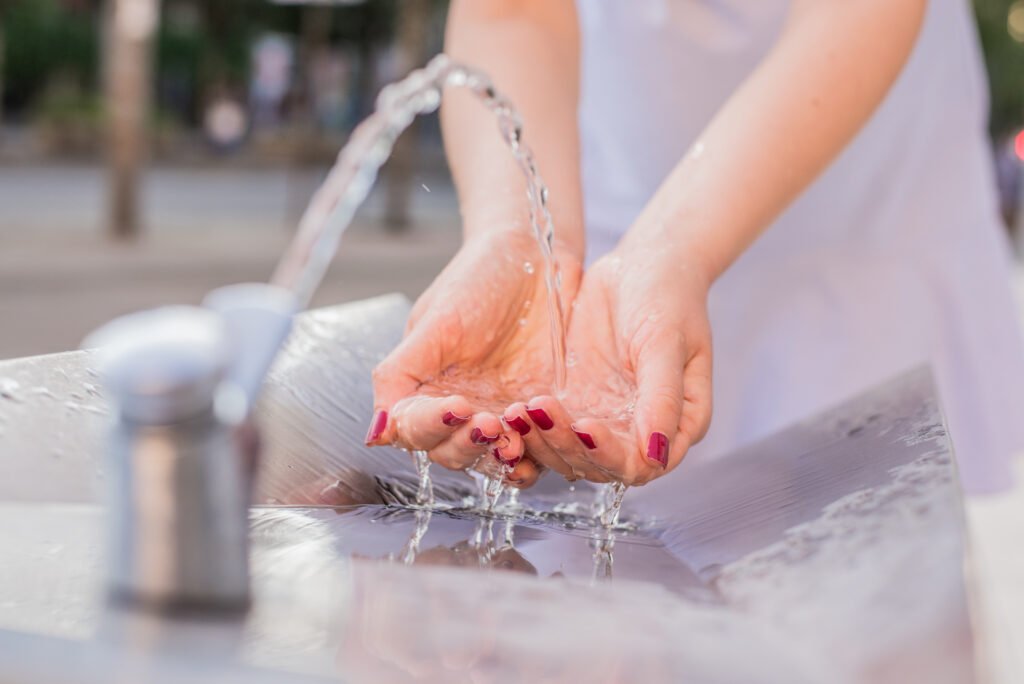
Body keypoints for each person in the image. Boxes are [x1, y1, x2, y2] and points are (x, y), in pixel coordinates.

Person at [366, 0, 1024, 495]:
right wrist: (520, 239)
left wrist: (672, 250)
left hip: (865, 193)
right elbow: (512, 13)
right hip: (619, 176)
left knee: (868, 615)